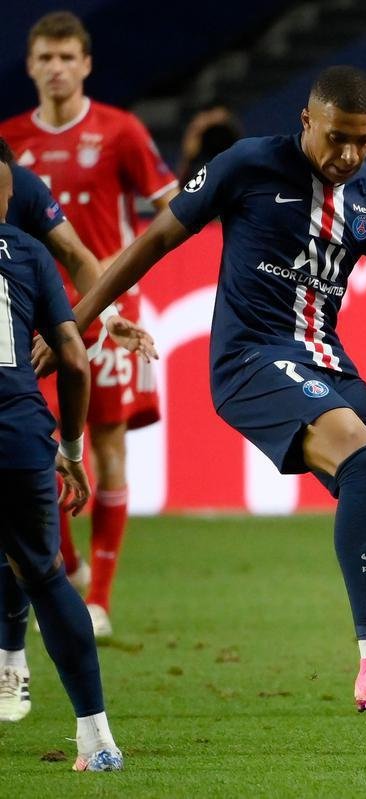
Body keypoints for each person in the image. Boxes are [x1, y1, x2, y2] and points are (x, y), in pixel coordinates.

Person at [70, 64, 366, 749]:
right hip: (250, 358)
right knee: (362, 459)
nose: (350, 155)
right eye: (338, 138)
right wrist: (79, 320)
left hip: (326, 362)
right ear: (307, 121)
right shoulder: (249, 165)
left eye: (365, 141)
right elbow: (155, 239)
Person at [0, 11, 180, 637]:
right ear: (30, 65)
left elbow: (171, 206)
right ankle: (68, 562)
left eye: (66, 57)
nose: (56, 68)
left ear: (86, 64)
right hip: (26, 319)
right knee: (35, 446)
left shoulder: (119, 131)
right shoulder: (10, 141)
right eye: (45, 57)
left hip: (102, 312)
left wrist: (115, 305)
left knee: (106, 445)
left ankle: (98, 598)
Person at [0, 136, 154, 724]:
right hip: (24, 406)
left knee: (19, 541)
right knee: (30, 552)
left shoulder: (22, 183)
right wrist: (70, 447)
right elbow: (73, 356)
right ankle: (92, 731)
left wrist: (107, 315)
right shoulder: (22, 221)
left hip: (19, 368)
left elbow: (73, 251)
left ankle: (11, 657)